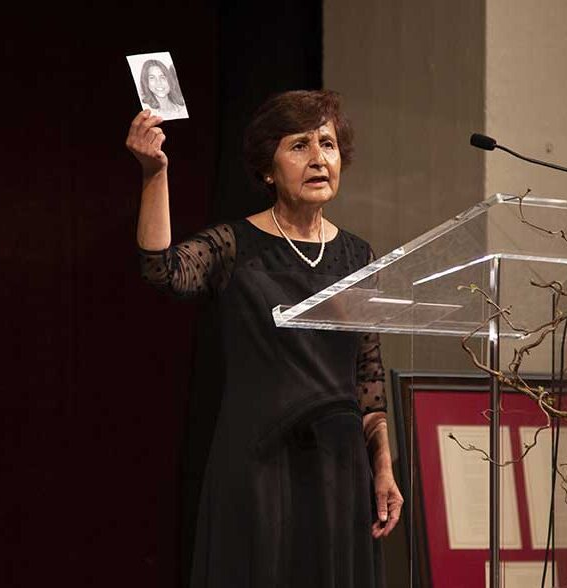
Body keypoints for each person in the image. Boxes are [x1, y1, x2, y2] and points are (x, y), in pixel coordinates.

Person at [126, 90, 401, 587]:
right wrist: (155, 173)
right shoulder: (234, 245)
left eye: (328, 144)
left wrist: (382, 465)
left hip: (338, 471)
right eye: (299, 145)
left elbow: (369, 381)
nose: (318, 158)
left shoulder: (360, 258)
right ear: (268, 169)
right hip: (258, 470)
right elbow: (160, 270)